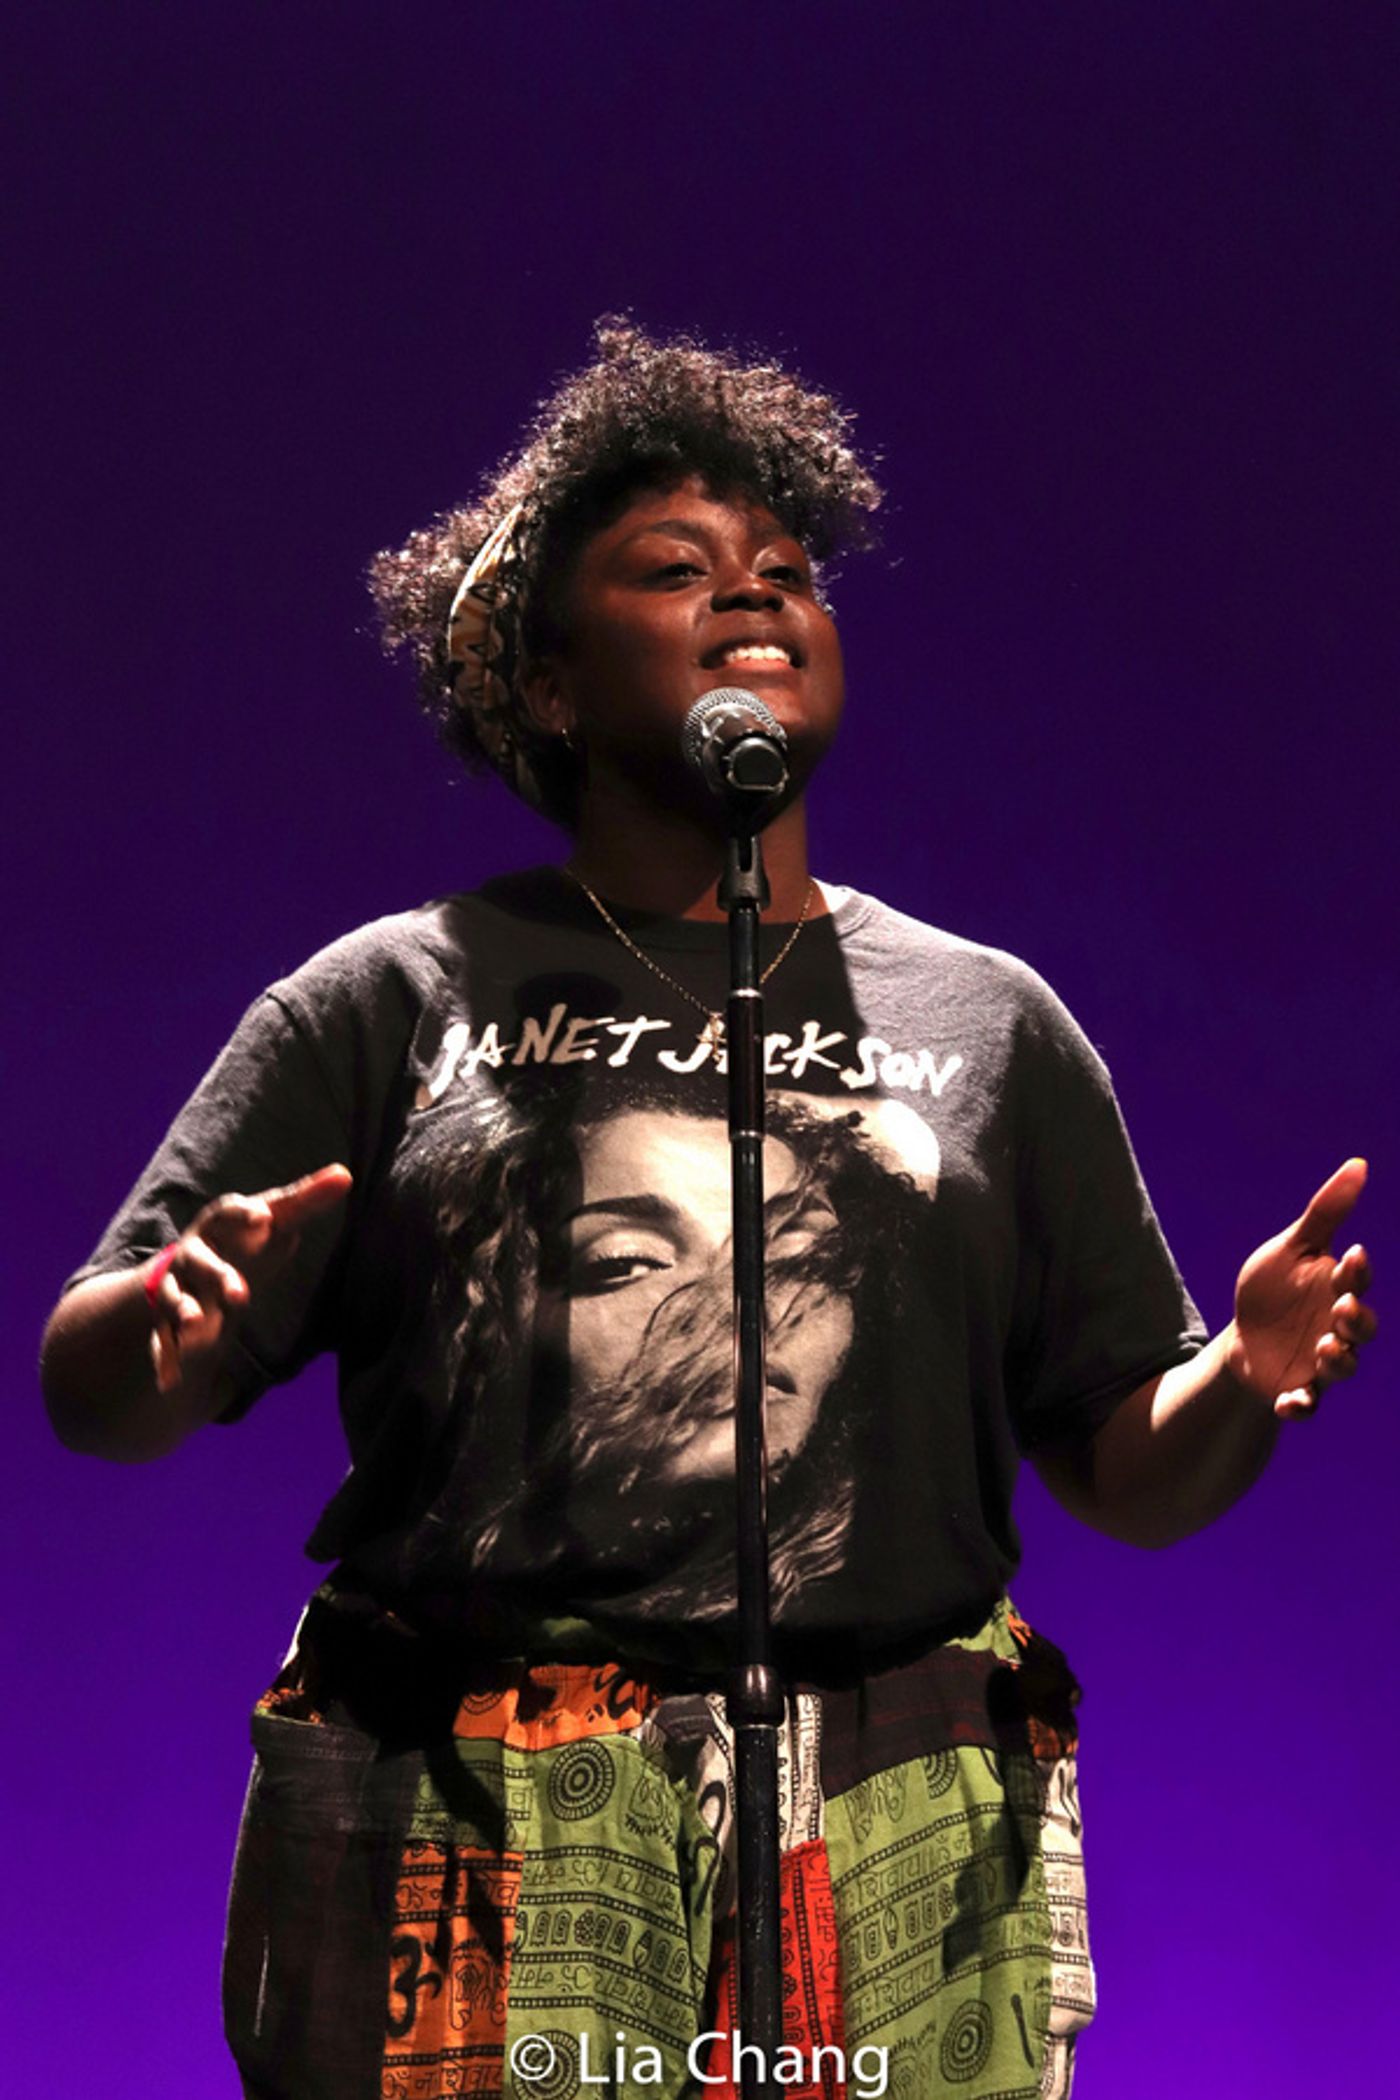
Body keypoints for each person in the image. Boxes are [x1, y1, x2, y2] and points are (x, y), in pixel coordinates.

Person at [41, 318, 1376, 2100]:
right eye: (673, 569)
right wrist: (161, 1324)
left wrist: (1241, 1380)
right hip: (481, 1808)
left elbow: (1122, 1460)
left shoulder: (986, 1018)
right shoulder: (399, 994)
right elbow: (96, 1382)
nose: (753, 592)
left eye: (786, 568)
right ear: (546, 680)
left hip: (900, 1806)